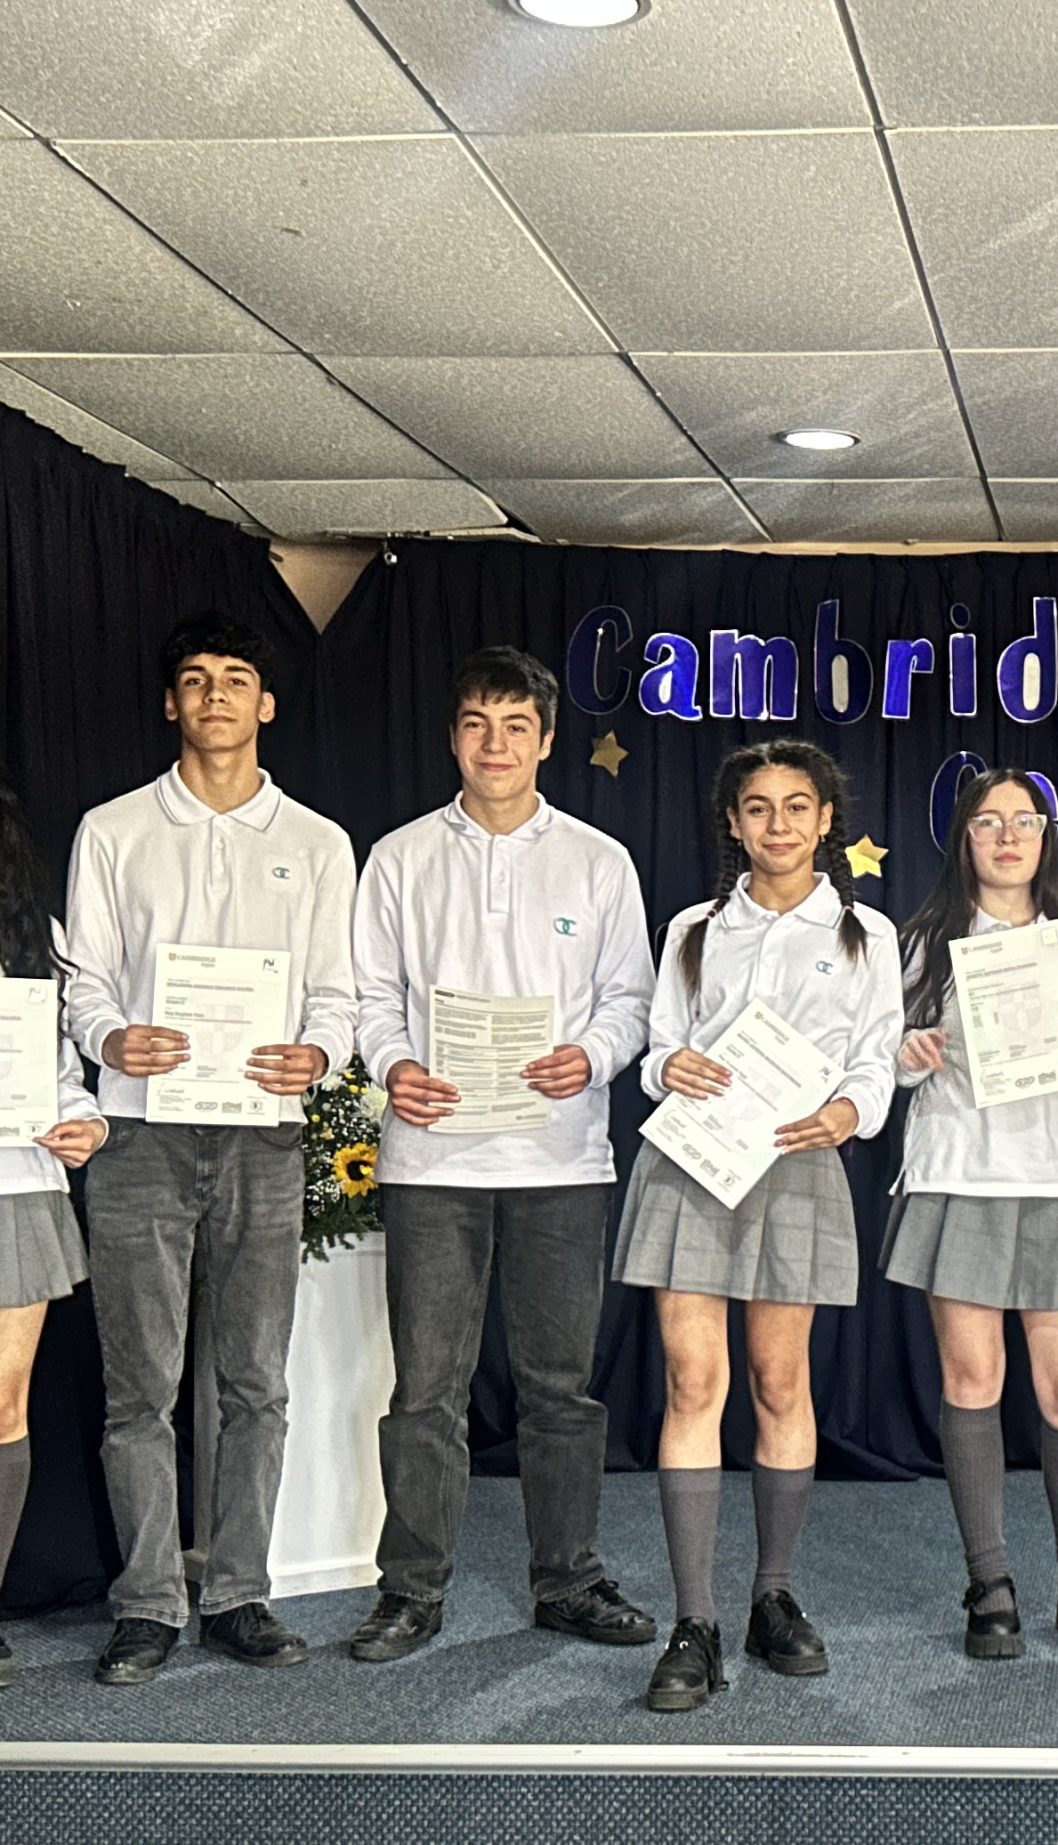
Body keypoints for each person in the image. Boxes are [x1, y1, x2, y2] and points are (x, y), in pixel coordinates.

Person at [344, 647, 658, 1664]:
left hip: (559, 1161)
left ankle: (567, 1579)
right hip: (431, 1161)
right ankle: (410, 1588)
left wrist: (592, 1056)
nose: (496, 744)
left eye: (516, 726)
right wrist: (393, 1064)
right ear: (453, 737)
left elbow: (631, 1000)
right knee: (425, 1391)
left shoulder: (600, 861)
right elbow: (370, 996)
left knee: (560, 1387)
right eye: (478, 723)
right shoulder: (399, 858)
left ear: (547, 740)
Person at [65, 614, 358, 1685]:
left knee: (254, 1383)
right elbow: (84, 979)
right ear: (171, 704)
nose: (216, 695)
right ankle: (148, 1601)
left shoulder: (318, 842)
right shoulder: (112, 829)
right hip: (140, 1132)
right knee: (139, 1387)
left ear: (265, 704)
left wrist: (318, 1054)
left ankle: (238, 1593)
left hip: (263, 1136)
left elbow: (339, 994)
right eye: (195, 679)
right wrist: (110, 1038)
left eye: (236, 678)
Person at [615, 739, 901, 1713]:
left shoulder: (866, 933)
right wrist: (668, 1068)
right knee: (694, 1381)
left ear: (826, 819)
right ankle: (694, 1620)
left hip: (797, 1165)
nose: (778, 824)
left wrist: (850, 1112)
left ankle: (771, 1596)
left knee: (781, 1382)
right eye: (757, 808)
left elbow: (875, 1058)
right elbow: (657, 1046)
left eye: (796, 806)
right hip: (692, 1164)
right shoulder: (694, 928)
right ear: (732, 824)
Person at [885, 768, 1058, 1661]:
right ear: (964, 838)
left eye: (1023, 821)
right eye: (988, 822)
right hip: (959, 1174)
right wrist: (911, 1052)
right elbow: (886, 1067)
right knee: (972, 1382)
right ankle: (988, 1579)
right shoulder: (924, 940)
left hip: (1055, 1179)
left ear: (1045, 837)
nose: (1006, 836)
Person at [0, 781, 110, 1688]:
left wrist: (88, 1122)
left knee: (4, 1406)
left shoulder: (35, 935)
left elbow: (60, 1069)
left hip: (19, 1187)